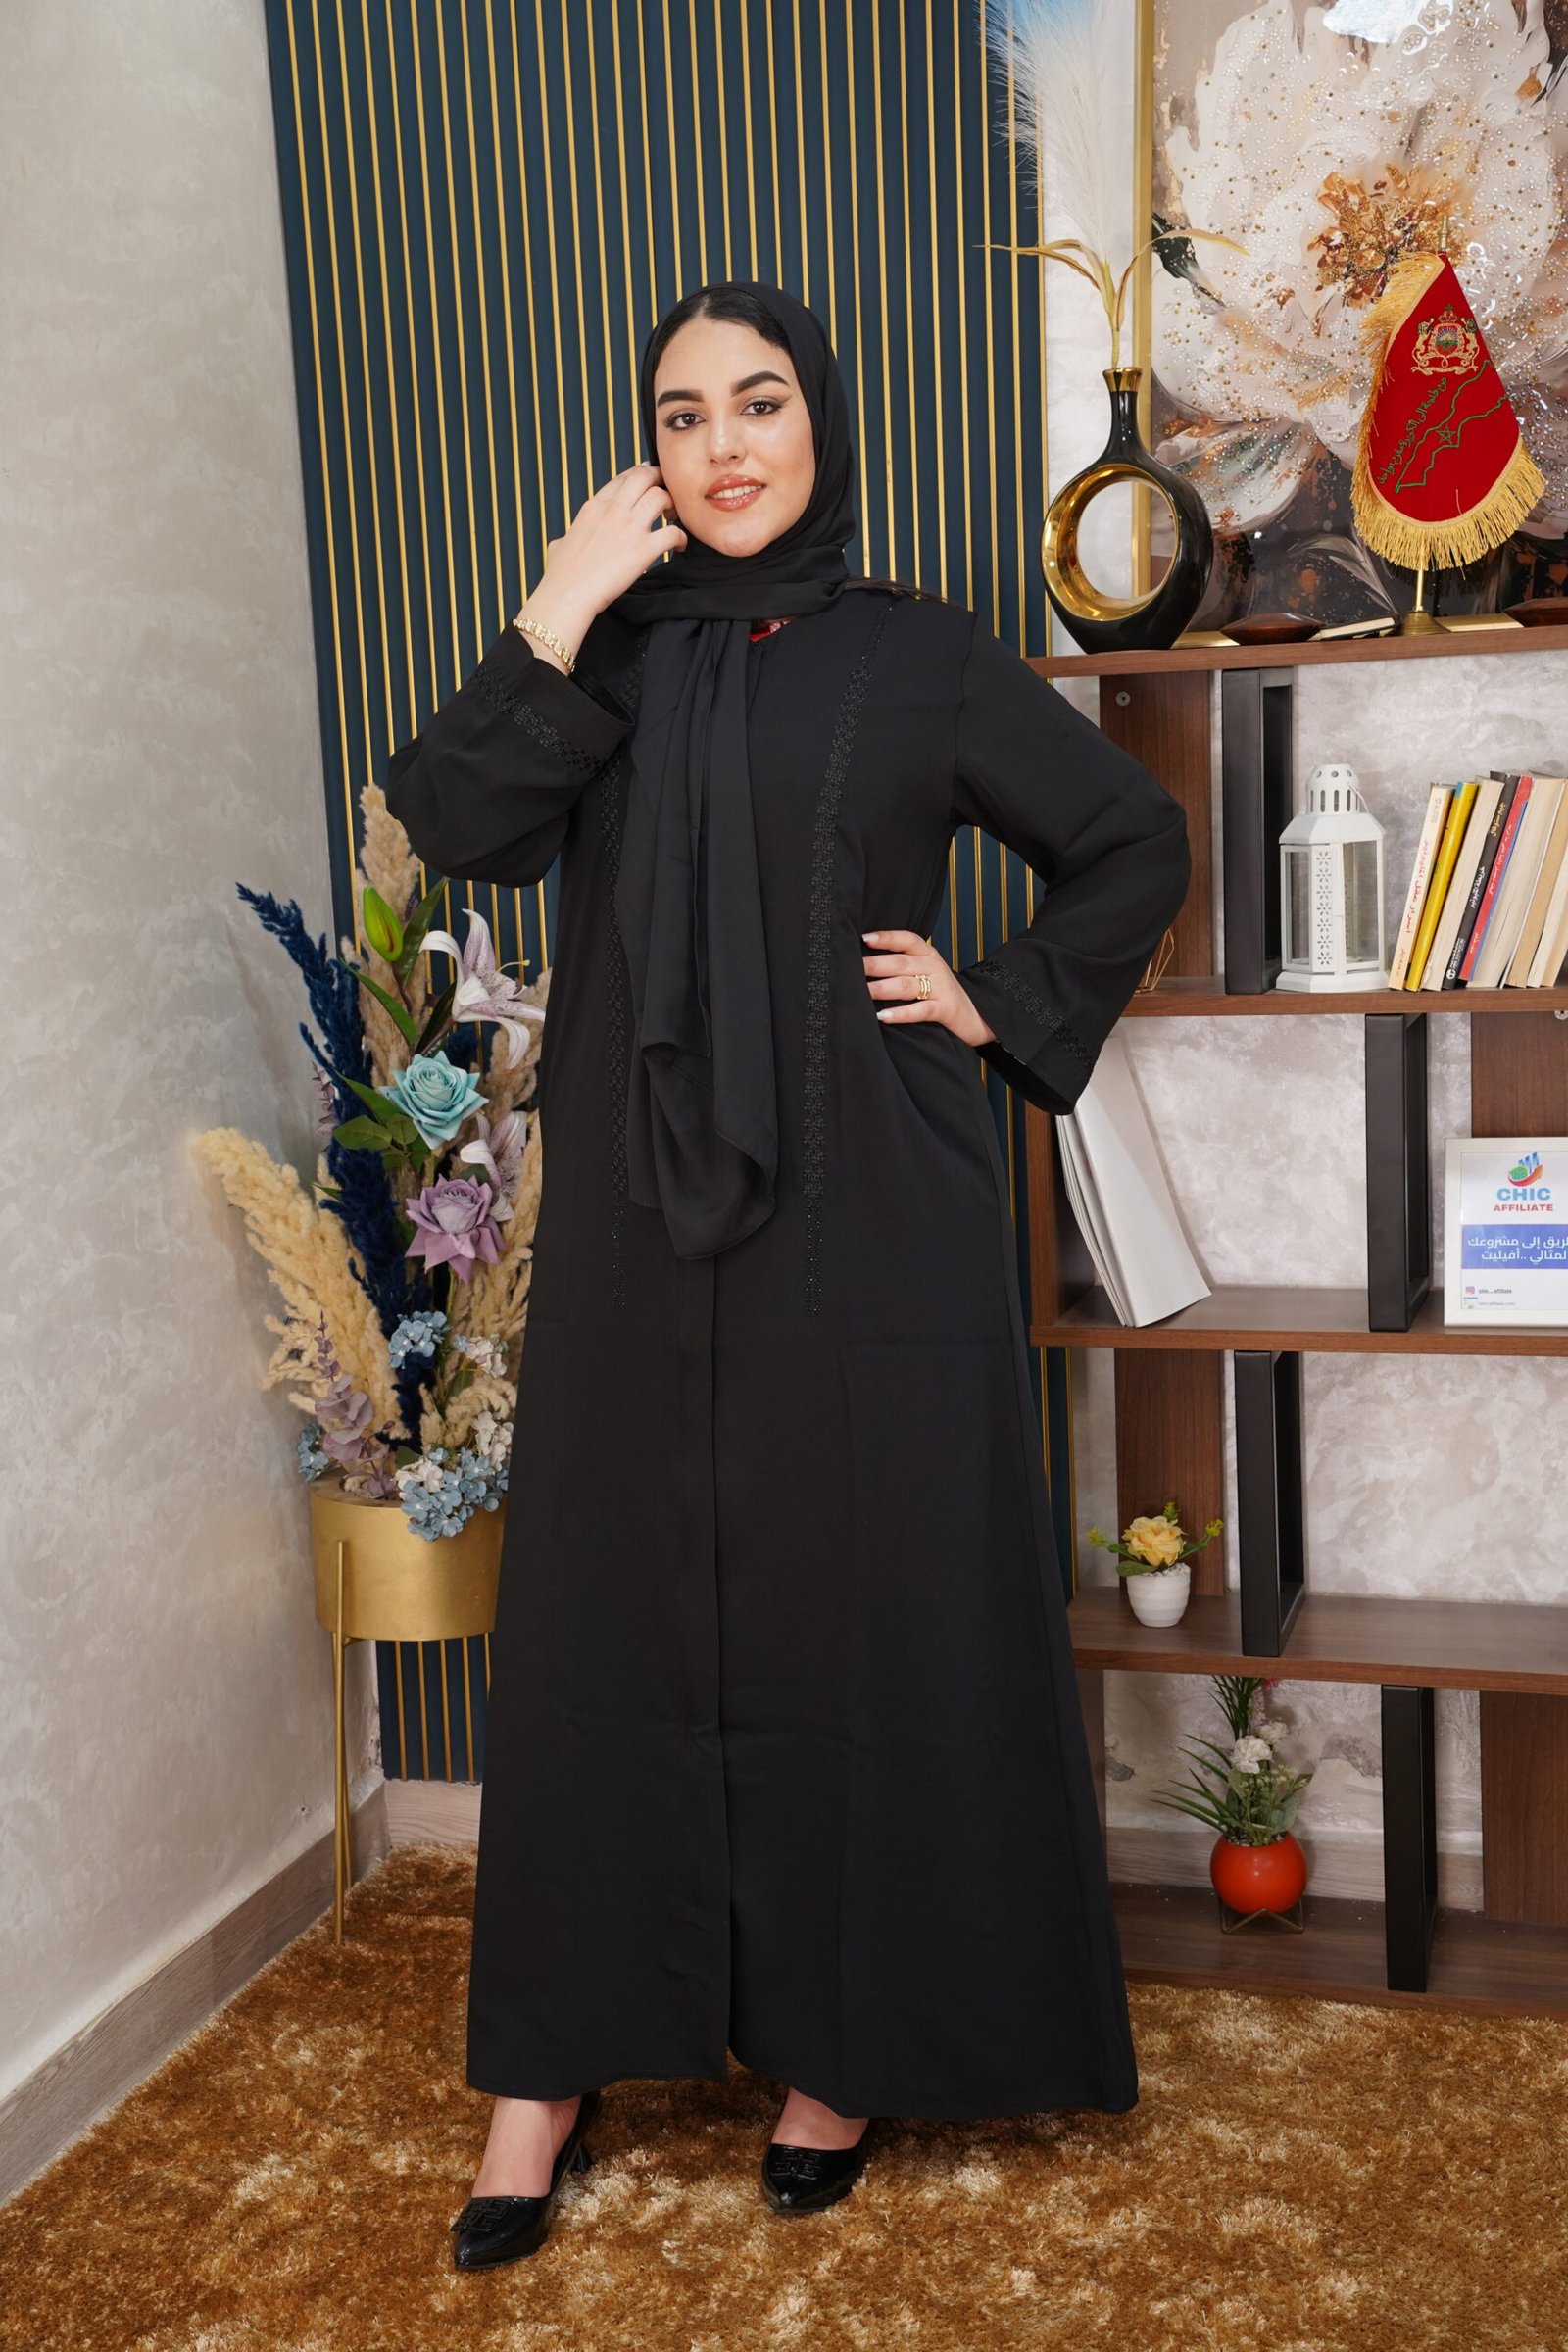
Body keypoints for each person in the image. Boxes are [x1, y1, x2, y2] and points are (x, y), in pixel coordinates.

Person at [384, 278, 1191, 2273]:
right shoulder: (599, 655)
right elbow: (451, 821)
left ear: (820, 422)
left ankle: (841, 2051)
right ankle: (544, 2074)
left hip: (869, 1206)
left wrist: (990, 997)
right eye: (681, 416)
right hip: (634, 1215)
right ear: (646, 453)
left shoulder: (917, 654)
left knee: (862, 1609)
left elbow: (1127, 838)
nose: (723, 443)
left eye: (758, 403)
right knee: (605, 1613)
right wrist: (558, 602)